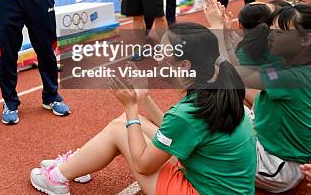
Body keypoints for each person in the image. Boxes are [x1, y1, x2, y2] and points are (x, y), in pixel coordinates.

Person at [30, 23, 256, 195]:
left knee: (123, 127)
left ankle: (58, 178)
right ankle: (73, 167)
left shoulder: (191, 111)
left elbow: (143, 165)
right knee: (126, 121)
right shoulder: (218, 86)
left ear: (185, 65)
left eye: (164, 51)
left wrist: (130, 107)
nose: (157, 56)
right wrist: (143, 98)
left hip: (202, 190)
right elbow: (175, 129)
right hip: (223, 186)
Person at [205, 1, 310, 192]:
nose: (270, 35)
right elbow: (242, 72)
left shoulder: (291, 77)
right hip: (271, 144)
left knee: (205, 141)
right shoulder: (290, 63)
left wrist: (217, 29)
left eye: (280, 31)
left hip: (276, 165)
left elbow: (233, 74)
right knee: (219, 109)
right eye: (271, 28)